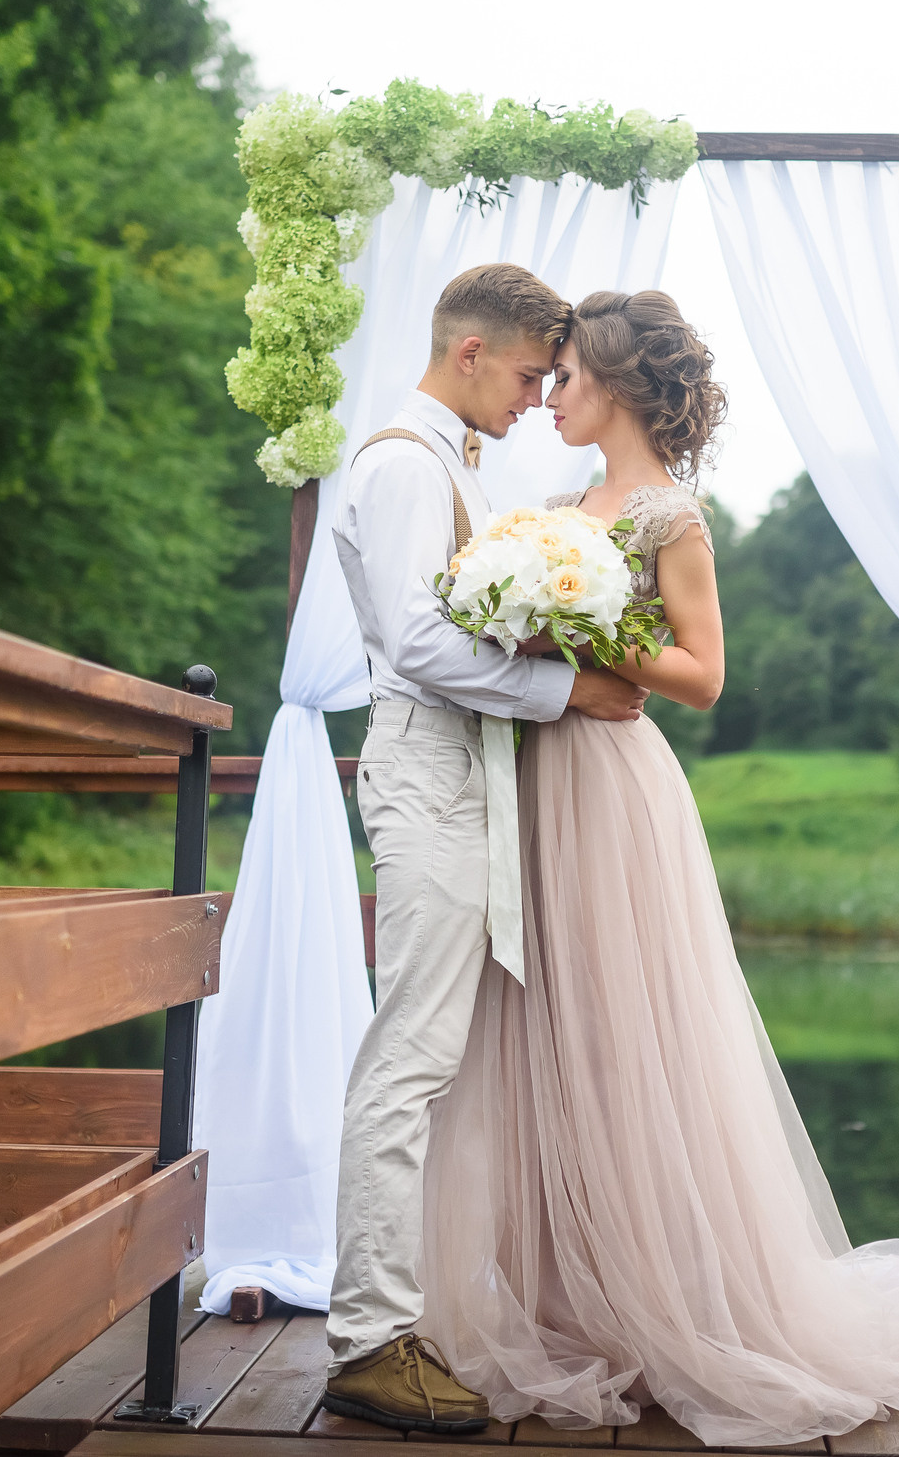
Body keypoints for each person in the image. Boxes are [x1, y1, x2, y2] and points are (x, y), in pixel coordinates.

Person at [416, 290, 899, 1445]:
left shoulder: (671, 516)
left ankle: (668, 1309)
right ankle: (562, 1306)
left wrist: (585, 625)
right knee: (536, 1032)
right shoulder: (554, 512)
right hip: (533, 781)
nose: (551, 394)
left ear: (616, 385)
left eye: (567, 376)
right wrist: (523, 615)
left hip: (613, 793)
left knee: (624, 1038)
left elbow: (703, 672)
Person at [323, 263, 651, 1436]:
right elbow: (417, 642)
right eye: (524, 374)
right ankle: (369, 1339)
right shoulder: (405, 466)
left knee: (441, 1055)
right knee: (410, 1056)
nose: (531, 398)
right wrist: (567, 689)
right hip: (425, 769)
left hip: (464, 769)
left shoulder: (446, 461)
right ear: (468, 352)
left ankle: (431, 1308)